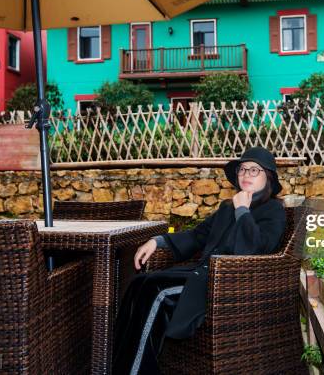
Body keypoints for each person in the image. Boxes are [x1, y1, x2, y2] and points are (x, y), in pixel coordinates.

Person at [112, 146, 287, 375]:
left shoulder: (273, 210)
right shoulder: (227, 208)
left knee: (156, 292)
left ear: (269, 177)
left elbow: (257, 248)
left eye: (254, 170)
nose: (245, 175)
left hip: (228, 286)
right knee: (138, 284)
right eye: (243, 169)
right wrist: (158, 241)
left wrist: (243, 210)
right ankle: (117, 367)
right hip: (201, 274)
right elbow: (197, 235)